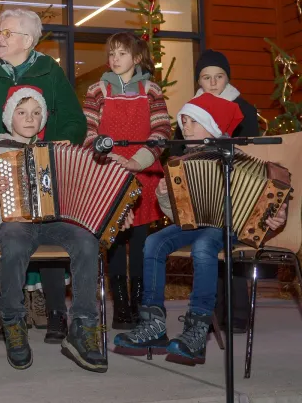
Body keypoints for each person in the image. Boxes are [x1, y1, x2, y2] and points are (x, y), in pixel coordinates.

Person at [114, 93, 288, 361]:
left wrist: (276, 215)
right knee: (153, 242)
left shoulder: (237, 158)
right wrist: (164, 195)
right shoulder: (184, 162)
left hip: (231, 227)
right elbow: (179, 217)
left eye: (192, 122)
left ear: (213, 127)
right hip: (197, 225)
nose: (185, 127)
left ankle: (197, 326)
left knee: (204, 244)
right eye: (182, 122)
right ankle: (153, 322)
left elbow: (272, 198)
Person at [0, 85, 121, 373]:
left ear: (43, 119)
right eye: (22, 112)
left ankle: (84, 326)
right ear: (10, 117)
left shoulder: (56, 151)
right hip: (14, 224)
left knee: (87, 240)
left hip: (54, 223)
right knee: (14, 241)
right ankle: (13, 321)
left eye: (36, 113)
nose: (29, 118)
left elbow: (77, 184)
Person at [0, 8, 88, 342]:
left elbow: (75, 122)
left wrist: (60, 152)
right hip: (1, 165)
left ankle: (58, 313)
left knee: (51, 222)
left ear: (26, 40)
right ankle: (14, 318)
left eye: (5, 32)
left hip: (47, 167)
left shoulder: (50, 74)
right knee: (11, 232)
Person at [82, 32, 171, 329]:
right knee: (116, 241)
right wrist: (108, 159)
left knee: (142, 242)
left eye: (122, 53)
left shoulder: (151, 91)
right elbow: (88, 132)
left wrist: (138, 161)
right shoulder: (97, 90)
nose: (115, 59)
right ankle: (121, 306)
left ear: (136, 58)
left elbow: (161, 134)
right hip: (109, 173)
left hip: (143, 173)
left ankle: (140, 303)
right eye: (112, 53)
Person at [173, 50, 261, 332]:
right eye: (206, 78)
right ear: (199, 80)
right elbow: (180, 150)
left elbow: (255, 150)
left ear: (227, 78)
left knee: (229, 247)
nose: (213, 83)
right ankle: (208, 311)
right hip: (204, 192)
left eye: (219, 77)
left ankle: (236, 314)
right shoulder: (191, 110)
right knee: (208, 243)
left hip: (238, 188)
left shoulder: (244, 107)